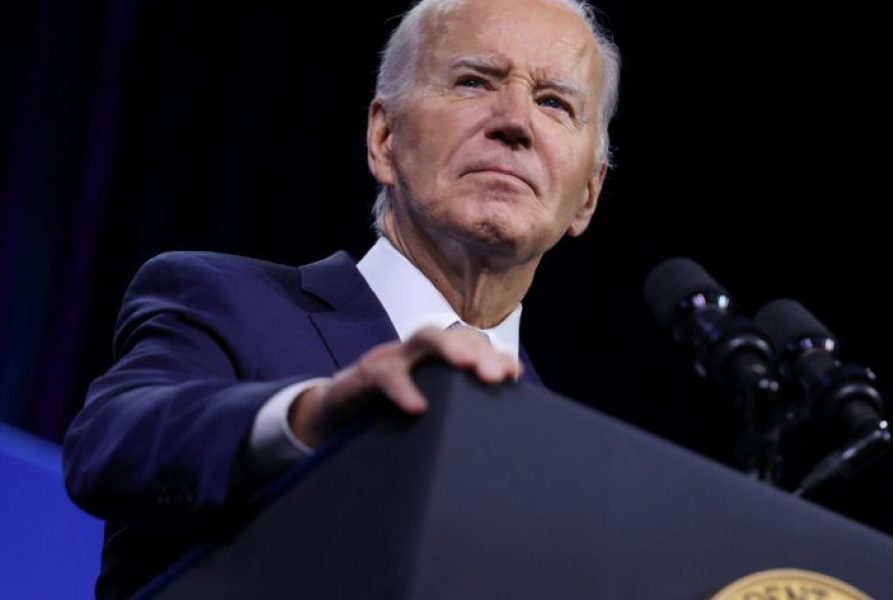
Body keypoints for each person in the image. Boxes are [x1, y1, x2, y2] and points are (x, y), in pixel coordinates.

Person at [61, 0, 621, 597]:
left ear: (587, 196)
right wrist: (311, 416)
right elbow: (110, 444)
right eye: (473, 82)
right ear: (384, 138)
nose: (515, 122)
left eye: (554, 103)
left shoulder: (571, 466)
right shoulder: (223, 301)